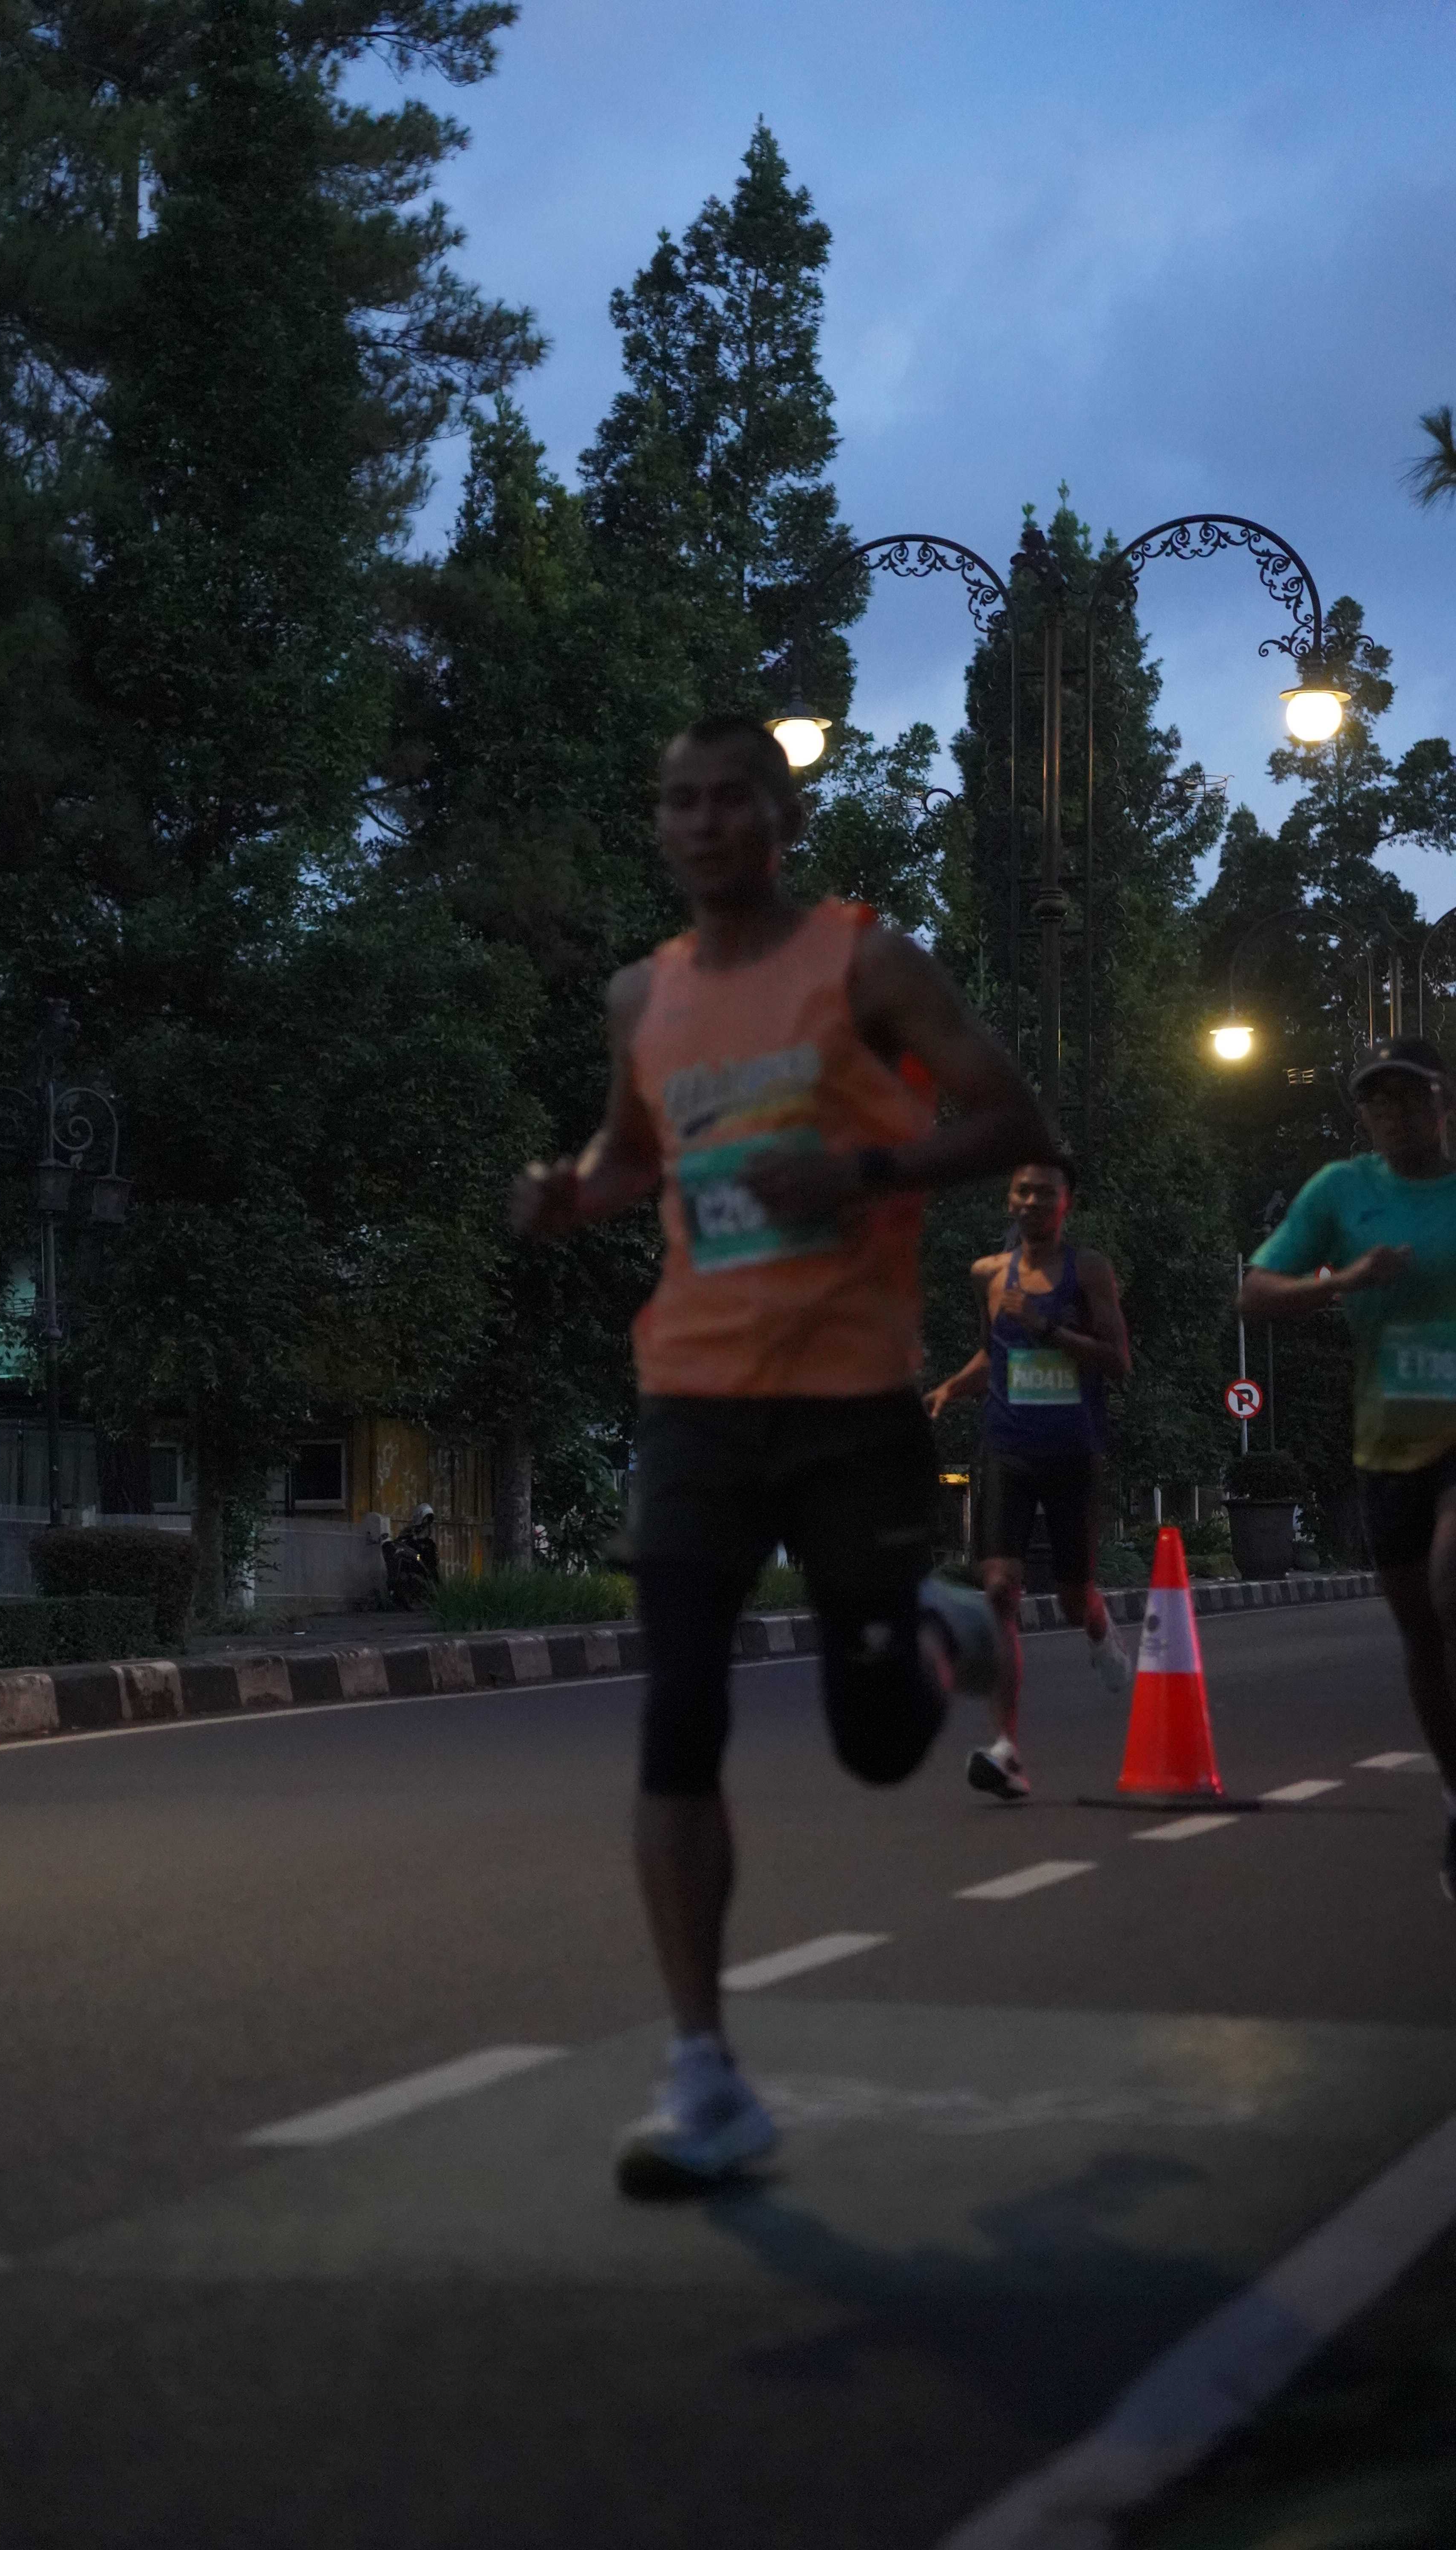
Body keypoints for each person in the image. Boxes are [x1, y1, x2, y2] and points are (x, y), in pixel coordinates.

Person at [511, 713, 1056, 2194]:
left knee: (877, 1745)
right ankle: (704, 2073)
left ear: (783, 817)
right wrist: (569, 1192)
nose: (702, 823)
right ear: (661, 824)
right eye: (678, 801)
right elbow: (635, 1156)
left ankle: (935, 1628)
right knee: (677, 1712)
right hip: (693, 1390)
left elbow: (1019, 1119)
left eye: (730, 799)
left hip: (849, 1394)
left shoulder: (866, 965)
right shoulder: (642, 996)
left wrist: (866, 1166)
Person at [1241, 1034, 1456, 1901]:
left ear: (1444, 1101)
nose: (1395, 1114)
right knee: (1421, 1635)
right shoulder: (1341, 1191)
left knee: (1451, 1582)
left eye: (1410, 1096)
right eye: (1378, 1100)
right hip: (1386, 1444)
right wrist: (1343, 1281)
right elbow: (1255, 1291)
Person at [925, 1157, 1133, 1800]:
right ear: (1009, 1200)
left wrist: (1048, 1327)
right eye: (1023, 1191)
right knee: (1000, 1591)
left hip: (1072, 1449)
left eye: (1047, 1193)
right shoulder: (988, 1274)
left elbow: (1118, 1361)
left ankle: (1096, 1625)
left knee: (1072, 1595)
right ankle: (1007, 1749)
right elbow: (995, 1355)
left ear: (1067, 1202)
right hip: (1007, 1446)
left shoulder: (1088, 1271)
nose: (1033, 1202)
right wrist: (950, 1388)